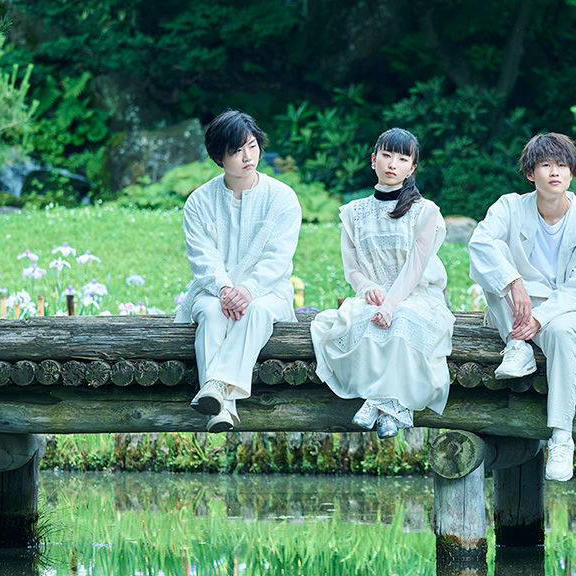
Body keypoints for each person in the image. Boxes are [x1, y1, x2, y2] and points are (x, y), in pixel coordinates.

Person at [468, 132, 576, 481]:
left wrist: (541, 317)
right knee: (493, 260)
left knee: (559, 333)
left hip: (565, 309)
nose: (554, 172)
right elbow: (479, 244)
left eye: (561, 165)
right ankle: (517, 345)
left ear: (572, 173)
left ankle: (561, 437)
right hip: (517, 303)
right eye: (546, 165)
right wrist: (514, 282)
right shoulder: (509, 207)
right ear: (531, 173)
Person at [310, 128, 454, 438]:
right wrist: (366, 288)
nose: (392, 164)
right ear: (373, 159)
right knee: (363, 321)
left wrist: (391, 304)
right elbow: (352, 269)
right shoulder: (353, 212)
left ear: (412, 167)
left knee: (402, 317)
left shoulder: (425, 211)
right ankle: (390, 410)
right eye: (386, 155)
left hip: (417, 296)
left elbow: (415, 269)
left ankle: (380, 403)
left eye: (402, 159)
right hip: (373, 297)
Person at [174, 110, 302, 433]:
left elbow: (278, 258)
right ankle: (222, 411)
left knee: (255, 311)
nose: (248, 157)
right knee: (211, 312)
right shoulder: (199, 201)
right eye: (236, 151)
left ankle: (215, 388)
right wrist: (224, 288)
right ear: (219, 157)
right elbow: (202, 257)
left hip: (268, 291)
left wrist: (248, 290)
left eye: (252, 146)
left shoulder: (282, 198)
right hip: (213, 291)